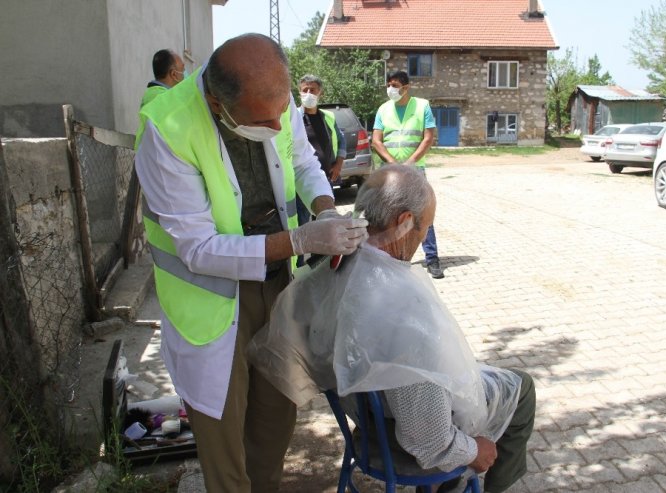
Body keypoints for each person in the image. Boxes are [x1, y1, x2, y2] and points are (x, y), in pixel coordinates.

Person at [134, 33, 368, 492]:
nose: (280, 126)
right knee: (224, 443)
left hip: (277, 286)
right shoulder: (167, 129)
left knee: (274, 422)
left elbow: (303, 161)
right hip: (211, 304)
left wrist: (325, 211)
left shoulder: (274, 100)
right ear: (218, 103)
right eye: (265, 119)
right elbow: (199, 249)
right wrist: (301, 238)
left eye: (283, 112)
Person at [250, 164, 536, 493]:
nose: (425, 236)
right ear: (403, 223)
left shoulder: (338, 261)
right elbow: (430, 442)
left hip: (366, 412)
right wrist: (476, 451)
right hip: (396, 431)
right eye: (424, 227)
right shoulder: (404, 315)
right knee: (523, 387)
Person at [371, 70, 444, 279]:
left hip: (415, 170)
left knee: (421, 213)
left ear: (406, 87)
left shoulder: (422, 106)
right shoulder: (383, 109)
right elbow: (376, 140)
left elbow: (428, 138)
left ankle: (432, 259)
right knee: (390, 216)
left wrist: (410, 163)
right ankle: (392, 260)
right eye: (388, 85)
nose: (390, 89)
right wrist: (393, 163)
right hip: (390, 171)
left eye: (394, 85)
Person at [294, 74, 347, 266]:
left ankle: (321, 260)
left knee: (324, 220)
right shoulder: (294, 118)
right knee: (302, 222)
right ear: (299, 92)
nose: (308, 93)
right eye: (305, 90)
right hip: (301, 181)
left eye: (312, 90)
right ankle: (299, 264)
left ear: (320, 93)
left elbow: (342, 141)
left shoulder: (328, 117)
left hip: (325, 179)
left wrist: (338, 164)